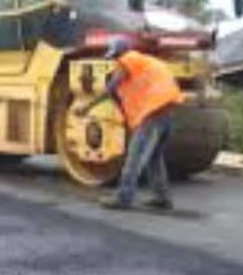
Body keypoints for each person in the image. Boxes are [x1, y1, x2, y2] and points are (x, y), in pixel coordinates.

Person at [76, 38, 184, 210]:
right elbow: (125, 95)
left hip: (153, 112)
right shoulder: (146, 63)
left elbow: (111, 87)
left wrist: (87, 107)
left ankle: (123, 197)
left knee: (134, 157)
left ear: (119, 54)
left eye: (114, 58)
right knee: (154, 158)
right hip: (166, 112)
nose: (114, 63)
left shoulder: (129, 59)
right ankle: (162, 197)